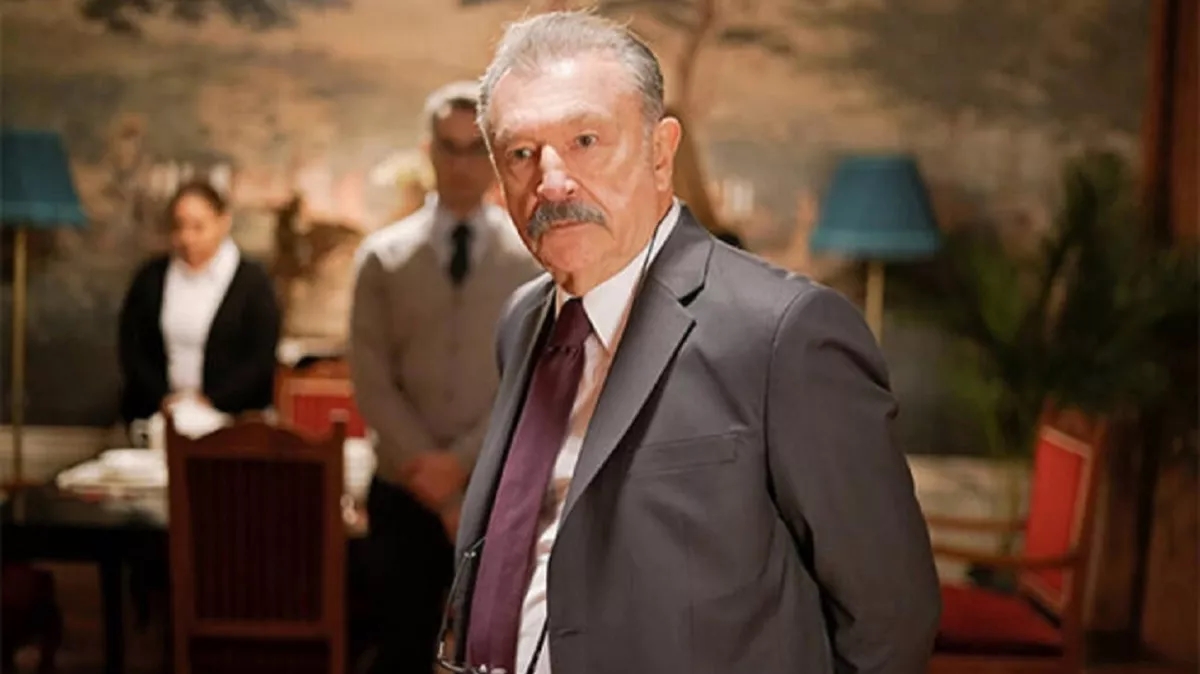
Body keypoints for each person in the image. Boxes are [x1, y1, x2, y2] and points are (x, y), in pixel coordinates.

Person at [449, 11, 941, 674]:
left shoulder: (785, 333)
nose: (553, 181)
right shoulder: (523, 321)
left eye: (586, 140)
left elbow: (891, 617)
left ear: (660, 153)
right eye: (520, 153)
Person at [348, 81, 540, 673]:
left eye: (475, 149)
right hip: (402, 490)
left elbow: (531, 375)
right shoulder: (382, 257)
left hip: (496, 489)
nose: (461, 165)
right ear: (427, 152)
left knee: (492, 656)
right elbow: (371, 377)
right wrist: (429, 473)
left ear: (496, 156)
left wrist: (460, 467)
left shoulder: (529, 259)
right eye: (448, 148)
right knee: (398, 651)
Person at [118, 179, 280, 428]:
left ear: (223, 222)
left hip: (232, 420)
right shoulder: (151, 278)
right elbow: (133, 348)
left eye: (198, 227)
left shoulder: (253, 283)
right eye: (179, 226)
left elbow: (260, 359)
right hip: (161, 416)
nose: (187, 238)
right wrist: (164, 400)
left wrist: (210, 401)